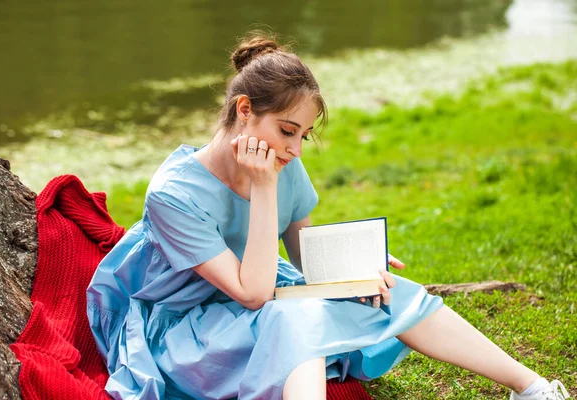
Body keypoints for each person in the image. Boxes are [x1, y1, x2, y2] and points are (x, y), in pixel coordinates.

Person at [86, 33, 571, 400]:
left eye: (305, 136)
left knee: (390, 294)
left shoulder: (282, 166)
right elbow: (252, 294)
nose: (296, 150)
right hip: (182, 326)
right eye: (287, 131)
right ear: (244, 109)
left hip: (252, 294)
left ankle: (532, 388)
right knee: (292, 316)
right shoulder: (174, 194)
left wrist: (352, 270)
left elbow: (303, 259)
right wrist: (264, 188)